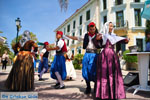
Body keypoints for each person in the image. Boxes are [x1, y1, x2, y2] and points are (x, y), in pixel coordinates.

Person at [94, 21, 128, 99]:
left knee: (113, 74)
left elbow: (121, 40)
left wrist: (126, 40)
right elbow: (97, 44)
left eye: (112, 26)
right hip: (104, 55)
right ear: (106, 27)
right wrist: (97, 39)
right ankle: (104, 93)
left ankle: (113, 93)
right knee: (104, 74)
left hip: (112, 55)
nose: (111, 27)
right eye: (110, 26)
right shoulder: (102, 35)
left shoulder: (114, 35)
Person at [82, 22, 102, 94]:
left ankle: (96, 87)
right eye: (90, 29)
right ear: (89, 29)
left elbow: (100, 46)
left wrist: (98, 39)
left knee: (95, 71)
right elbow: (84, 46)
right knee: (86, 70)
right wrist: (87, 39)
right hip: (87, 54)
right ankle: (88, 87)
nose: (92, 30)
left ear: (95, 28)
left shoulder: (98, 35)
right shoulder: (86, 35)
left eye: (93, 29)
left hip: (95, 54)